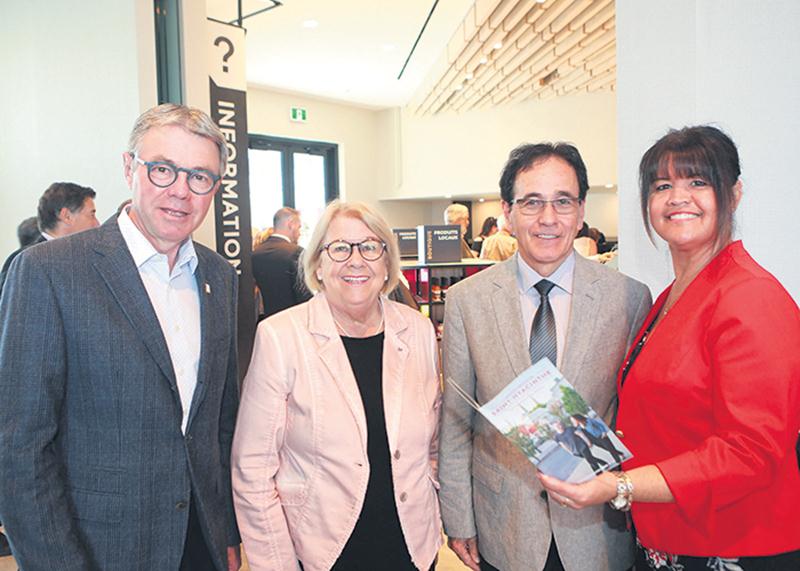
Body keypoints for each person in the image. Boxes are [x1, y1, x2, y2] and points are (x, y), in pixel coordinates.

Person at [539, 126, 800, 570]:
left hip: (733, 543)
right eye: (663, 186)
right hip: (671, 536)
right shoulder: (672, 294)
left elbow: (749, 451)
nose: (678, 197)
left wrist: (620, 487)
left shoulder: (750, 295)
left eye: (698, 182)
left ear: (733, 194)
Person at [0, 103, 241, 571]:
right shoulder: (49, 272)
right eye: (163, 170)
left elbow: (218, 423)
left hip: (201, 545)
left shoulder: (219, 276)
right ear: (129, 167)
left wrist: (226, 532)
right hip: (98, 551)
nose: (181, 192)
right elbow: (18, 445)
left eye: (200, 177)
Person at [439, 142, 652, 571]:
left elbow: (637, 415)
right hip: (504, 523)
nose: (548, 218)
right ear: (508, 210)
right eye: (532, 202)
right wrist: (458, 519)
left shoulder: (627, 297)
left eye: (562, 201)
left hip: (597, 526)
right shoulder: (467, 301)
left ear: (581, 209)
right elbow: (457, 419)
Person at [232, 200, 442, 571]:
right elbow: (253, 470)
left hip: (411, 549)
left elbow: (434, 444)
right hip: (323, 553)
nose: (356, 260)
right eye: (340, 248)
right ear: (317, 263)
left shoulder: (418, 331)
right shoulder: (282, 337)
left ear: (388, 262)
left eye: (370, 247)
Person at [0, 182, 99, 295]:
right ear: (66, 216)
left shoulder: (82, 259)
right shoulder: (26, 260)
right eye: (92, 215)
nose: (97, 224)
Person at [251, 206, 311, 319]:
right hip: (293, 322)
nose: (299, 233)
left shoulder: (255, 254)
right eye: (299, 228)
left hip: (265, 322)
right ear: (291, 224)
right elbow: (304, 295)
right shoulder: (296, 253)